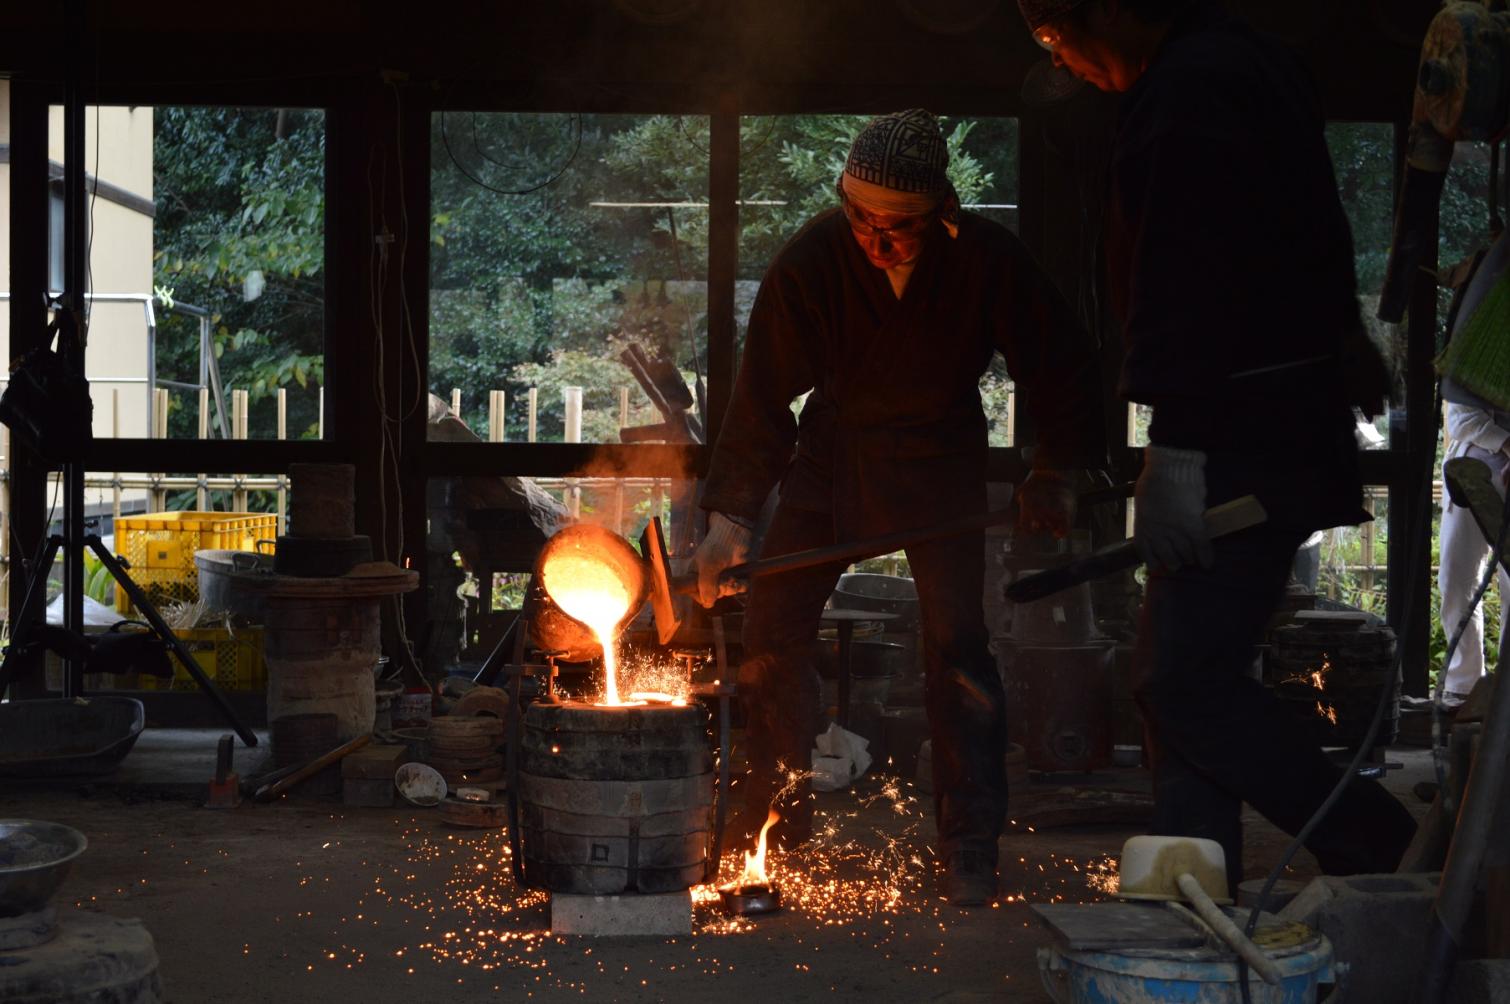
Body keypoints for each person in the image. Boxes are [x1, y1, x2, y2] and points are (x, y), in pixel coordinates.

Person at [1016, 0, 1417, 891]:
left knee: (1184, 684)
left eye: (1054, 37)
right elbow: (1314, 235)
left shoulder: (1189, 92)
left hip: (1240, 432)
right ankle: (1191, 890)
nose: (1063, 61)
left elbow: (1188, 271)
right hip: (1278, 422)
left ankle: (1372, 837)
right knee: (1186, 672)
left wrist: (1181, 444)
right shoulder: (1253, 63)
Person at [692, 109, 1106, 906]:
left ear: (941, 212)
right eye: (862, 221)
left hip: (940, 458)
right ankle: (771, 828)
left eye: (900, 227)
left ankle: (970, 841)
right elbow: (762, 394)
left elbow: (1061, 365)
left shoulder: (987, 260)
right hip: (833, 456)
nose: (877, 241)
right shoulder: (813, 257)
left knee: (957, 647)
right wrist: (729, 521)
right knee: (773, 631)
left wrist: (1053, 470)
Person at [1437, 400, 1510, 707]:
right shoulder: (1475, 358)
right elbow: (1460, 417)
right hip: (1468, 469)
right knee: (1455, 579)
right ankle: (1463, 687)